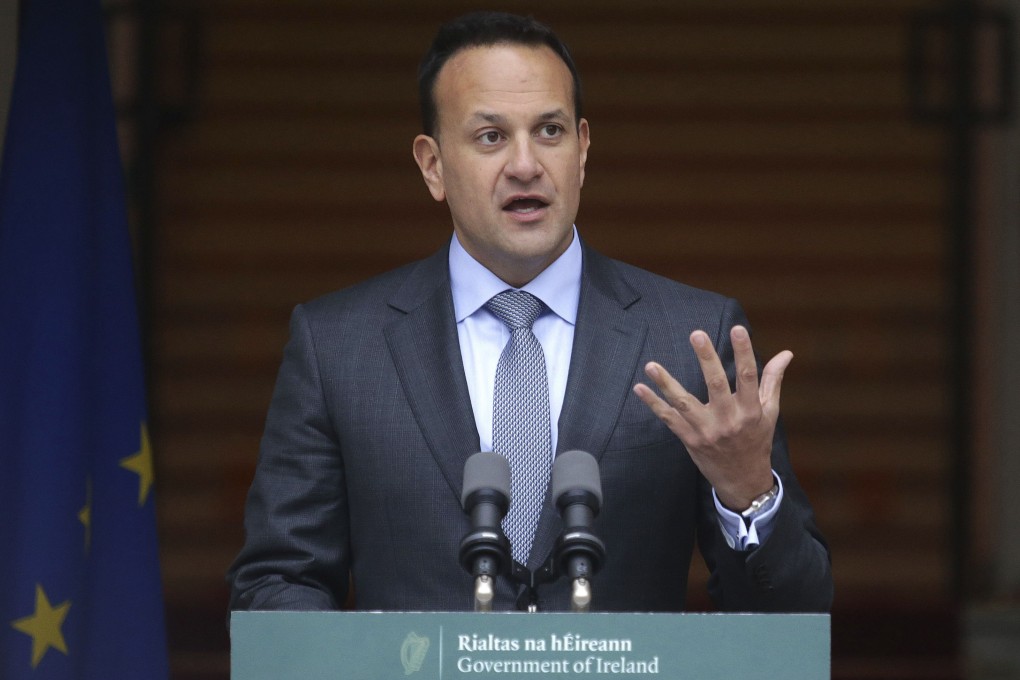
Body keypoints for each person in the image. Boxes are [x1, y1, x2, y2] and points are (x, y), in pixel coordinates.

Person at [227, 11, 832, 613]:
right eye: (491, 136)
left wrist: (749, 495)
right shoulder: (338, 347)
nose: (525, 164)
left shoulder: (687, 340)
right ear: (432, 165)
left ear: (584, 150)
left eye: (549, 131)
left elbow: (795, 616)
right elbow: (280, 582)